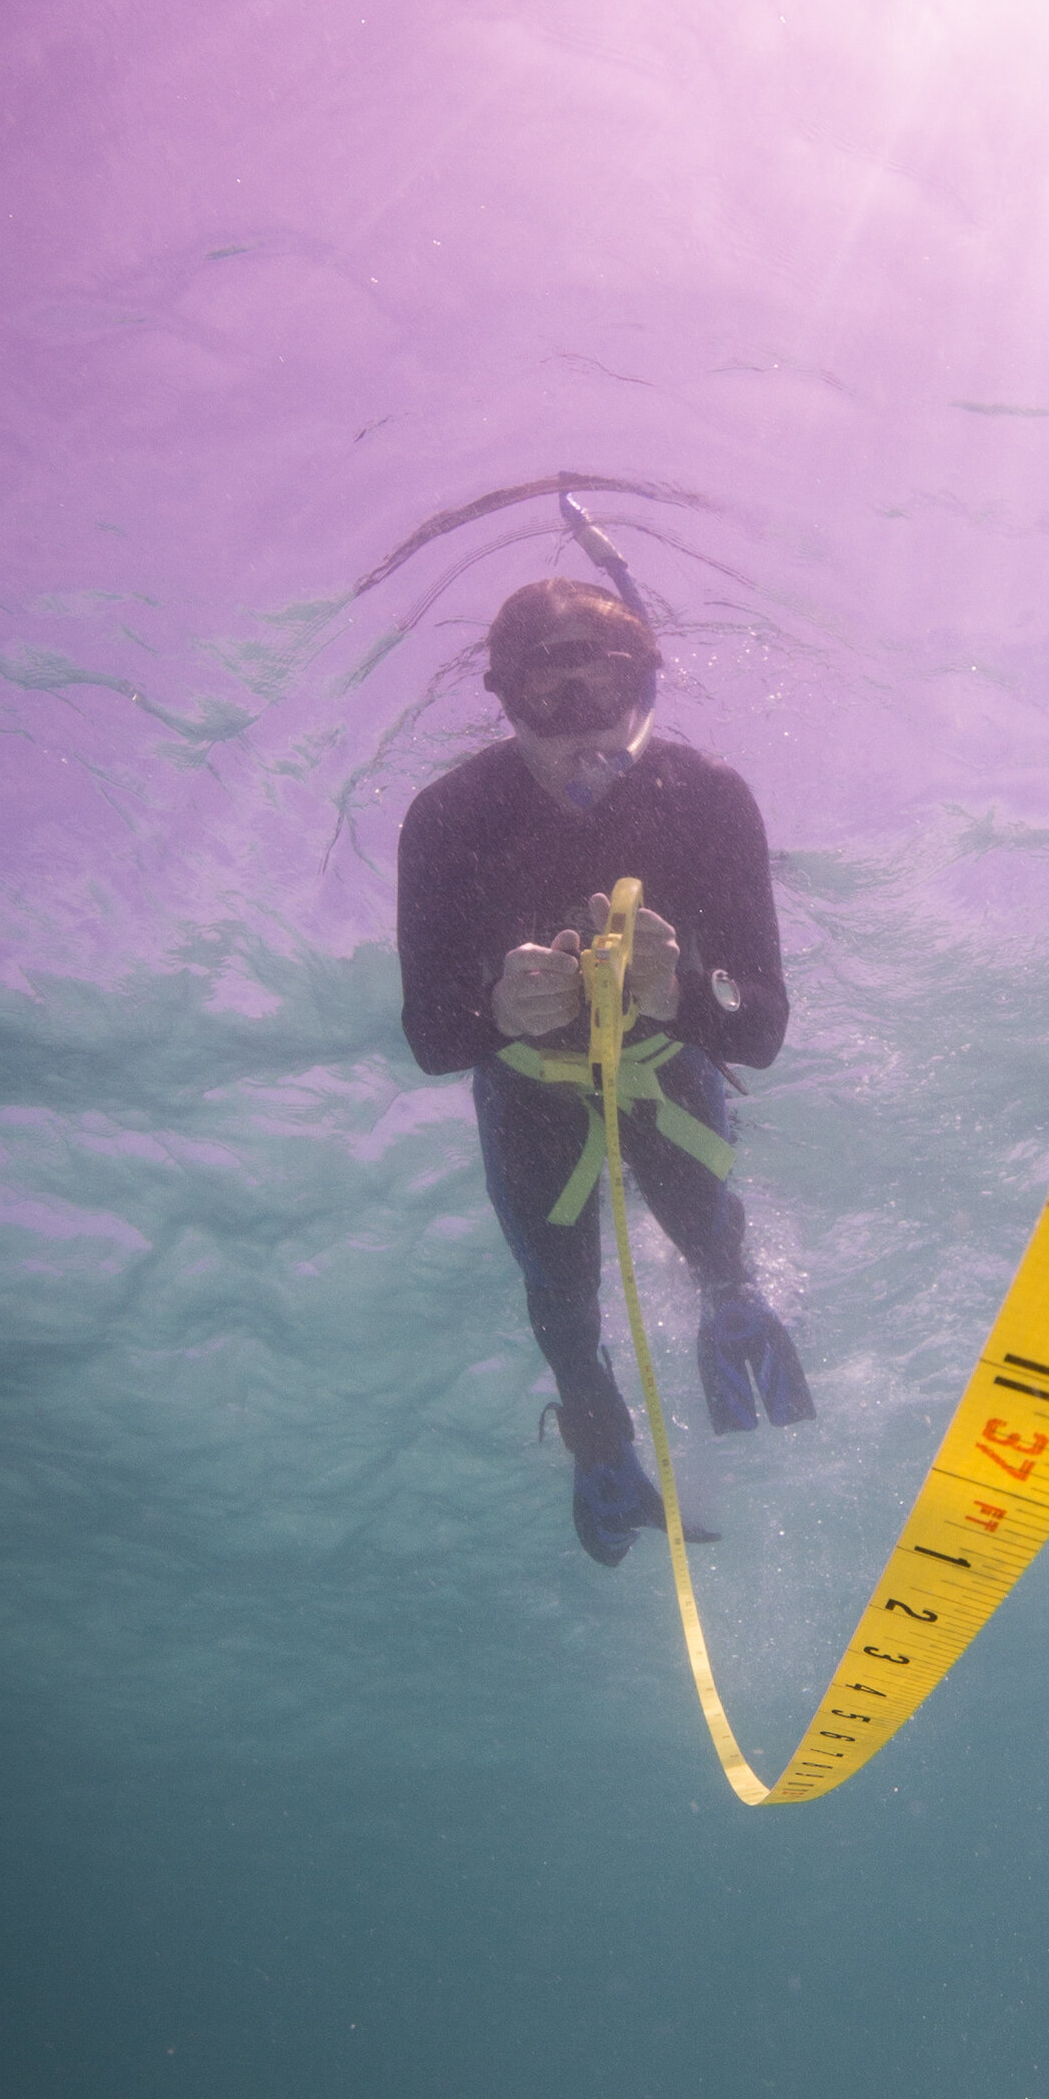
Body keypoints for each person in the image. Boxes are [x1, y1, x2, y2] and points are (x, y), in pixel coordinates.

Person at [397, 571, 813, 1568]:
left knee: (717, 1250)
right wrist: (493, 1010)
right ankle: (602, 1454)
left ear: (643, 684)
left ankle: (735, 1307)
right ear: (502, 695)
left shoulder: (704, 799)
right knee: (566, 1312)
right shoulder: (448, 819)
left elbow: (756, 1027)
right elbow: (431, 1040)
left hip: (670, 1070)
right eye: (549, 692)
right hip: (527, 1095)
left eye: (609, 684)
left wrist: (686, 996)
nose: (582, 722)